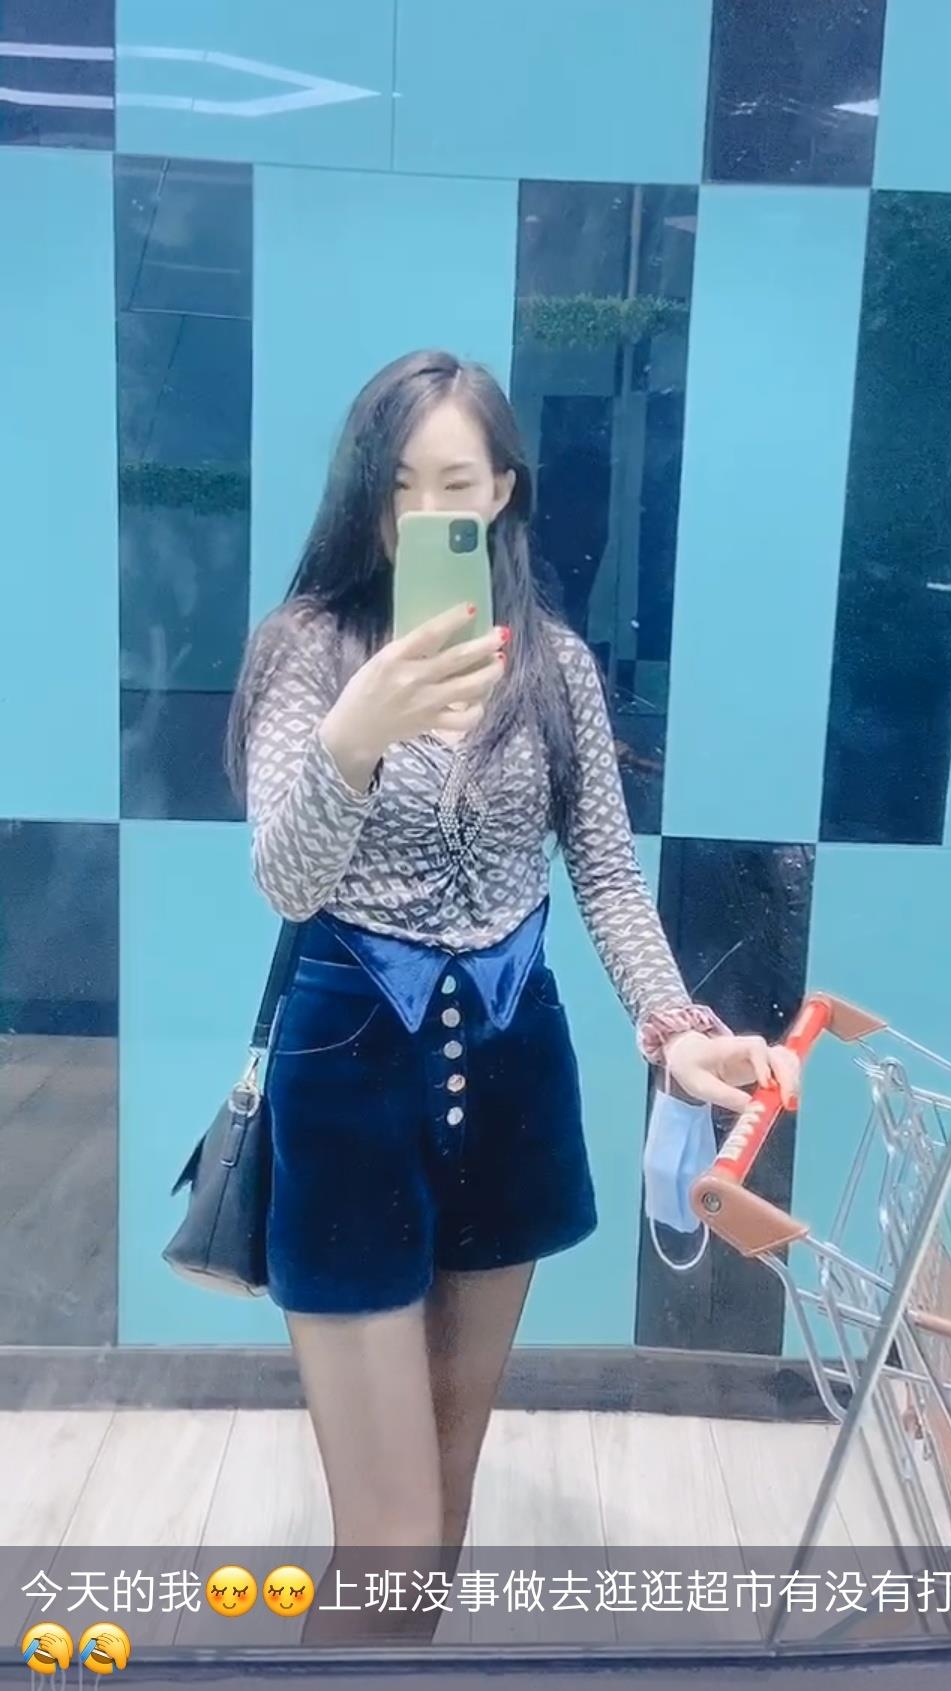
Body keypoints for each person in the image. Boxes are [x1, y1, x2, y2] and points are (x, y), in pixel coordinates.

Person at [227, 349, 800, 1559]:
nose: (424, 512)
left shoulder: (556, 668)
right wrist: (353, 739)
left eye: (454, 484)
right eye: (398, 486)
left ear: (501, 491)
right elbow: (286, 879)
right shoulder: (307, 652)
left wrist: (677, 1030)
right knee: (386, 1531)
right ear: (363, 496)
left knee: (445, 1498)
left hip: (513, 1080)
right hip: (346, 1087)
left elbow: (606, 873)